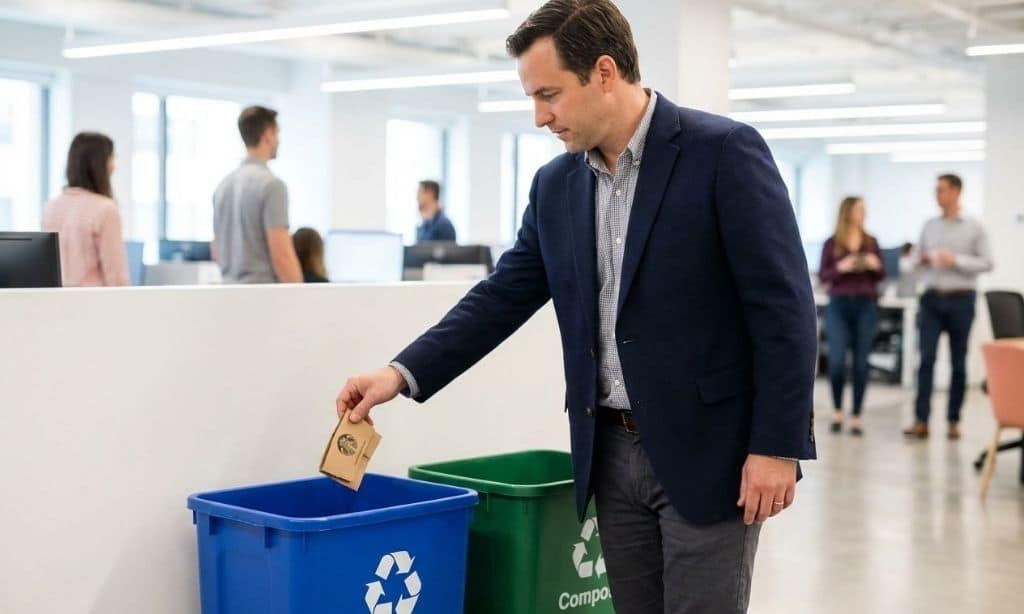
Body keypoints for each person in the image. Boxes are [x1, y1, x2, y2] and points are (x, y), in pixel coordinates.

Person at [335, 2, 817, 612]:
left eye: (550, 94)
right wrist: (399, 374)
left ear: (605, 72)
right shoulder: (557, 185)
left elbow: (785, 309)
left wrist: (776, 446)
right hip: (608, 453)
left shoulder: (721, 152)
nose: (540, 117)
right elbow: (504, 294)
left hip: (710, 451)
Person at [904, 174, 993, 441]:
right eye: (936, 190)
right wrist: (919, 259)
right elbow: (910, 263)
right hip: (931, 298)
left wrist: (956, 260)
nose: (937, 194)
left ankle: (953, 420)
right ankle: (921, 420)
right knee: (926, 361)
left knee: (958, 363)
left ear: (956, 191)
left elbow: (987, 263)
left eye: (941, 190)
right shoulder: (929, 226)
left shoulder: (974, 227)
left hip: (961, 299)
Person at [818, 197, 885, 436]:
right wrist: (842, 267)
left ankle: (856, 415)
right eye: (858, 209)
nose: (862, 213)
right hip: (838, 305)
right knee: (836, 362)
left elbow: (881, 276)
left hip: (865, 306)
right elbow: (824, 276)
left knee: (861, 363)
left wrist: (874, 265)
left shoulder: (871, 242)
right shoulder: (831, 243)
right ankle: (837, 411)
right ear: (847, 211)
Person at [212, 105, 302, 284]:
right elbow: (281, 256)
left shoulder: (222, 186)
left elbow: (216, 249)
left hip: (228, 293)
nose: (278, 141)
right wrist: (301, 298)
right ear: (268, 134)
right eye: (277, 134)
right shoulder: (272, 186)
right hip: (262, 298)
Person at [41, 132, 129, 287]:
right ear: (99, 164)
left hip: (57, 305)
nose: (114, 166)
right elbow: (116, 278)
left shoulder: (50, 207)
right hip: (94, 305)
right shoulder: (106, 209)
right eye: (112, 158)